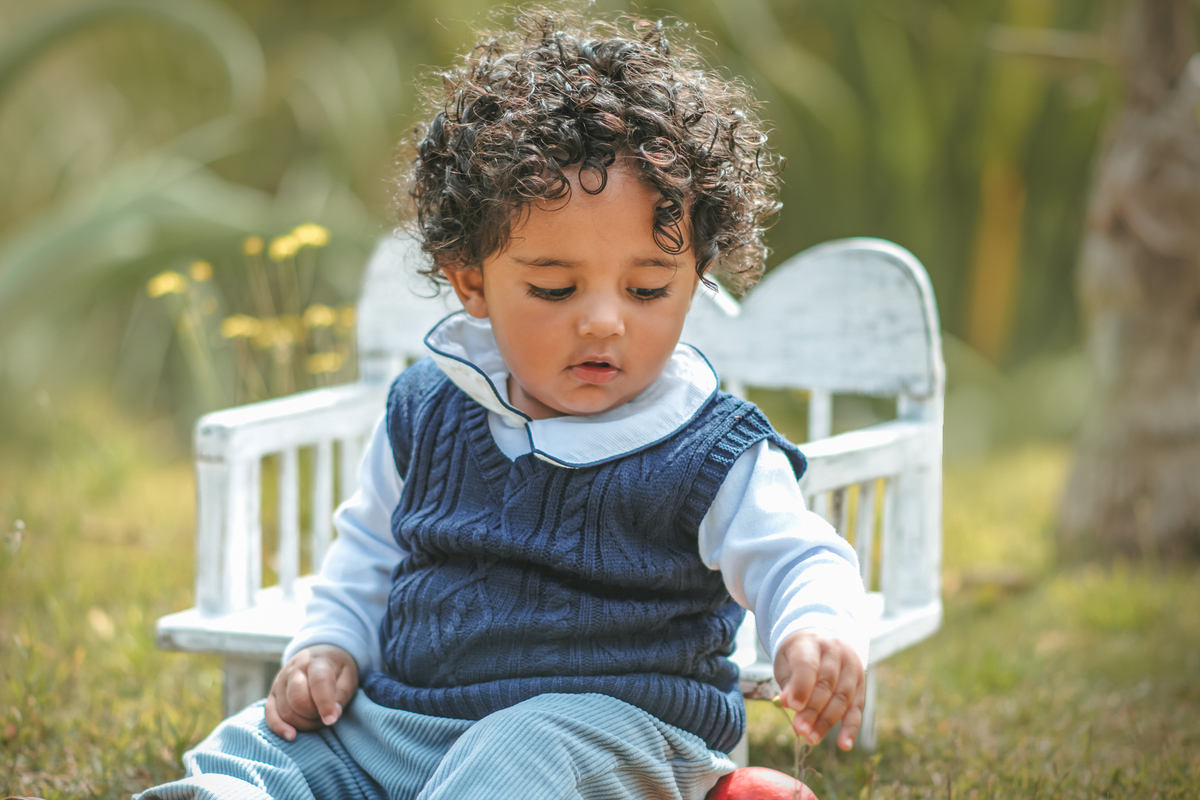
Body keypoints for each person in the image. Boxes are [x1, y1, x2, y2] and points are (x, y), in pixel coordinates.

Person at [137, 8, 868, 800]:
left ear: (696, 279)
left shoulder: (711, 449)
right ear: (472, 281)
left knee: (526, 746)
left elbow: (800, 553)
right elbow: (367, 549)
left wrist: (815, 626)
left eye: (649, 288)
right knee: (256, 743)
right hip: (405, 727)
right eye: (554, 287)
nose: (602, 320)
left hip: (610, 735)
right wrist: (329, 645)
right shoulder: (428, 408)